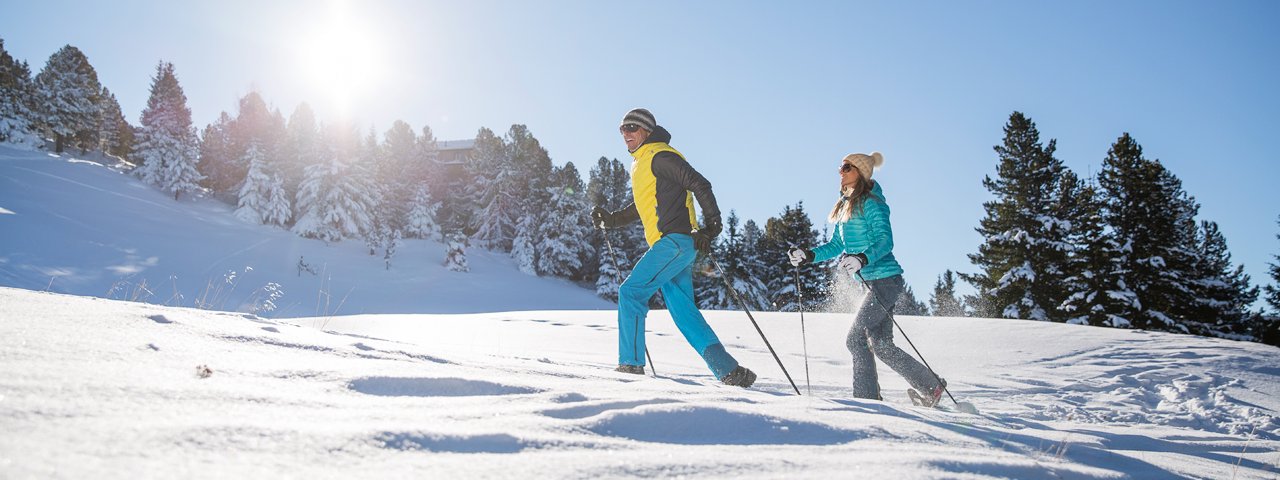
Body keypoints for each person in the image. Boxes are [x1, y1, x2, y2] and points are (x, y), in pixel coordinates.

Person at [592, 108, 756, 388]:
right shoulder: (642, 162)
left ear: (645, 131)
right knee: (683, 310)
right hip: (673, 246)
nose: (626, 134)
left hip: (675, 243)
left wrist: (712, 226)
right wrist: (613, 220)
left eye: (631, 128)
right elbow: (643, 205)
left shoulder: (660, 156)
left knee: (631, 292)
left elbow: (699, 183)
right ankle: (730, 371)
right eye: (622, 129)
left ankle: (630, 365)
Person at [787, 152, 946, 405]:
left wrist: (863, 258)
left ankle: (866, 399)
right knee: (880, 345)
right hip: (870, 283)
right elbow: (836, 245)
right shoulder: (844, 206)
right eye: (840, 167)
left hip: (885, 280)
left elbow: (886, 240)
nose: (840, 171)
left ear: (860, 172)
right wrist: (808, 255)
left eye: (847, 167)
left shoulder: (873, 203)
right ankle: (932, 387)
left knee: (855, 338)